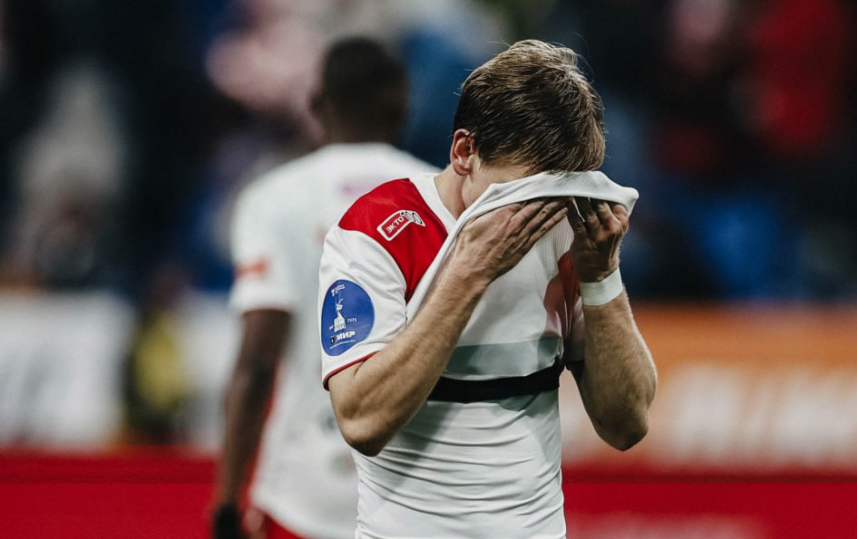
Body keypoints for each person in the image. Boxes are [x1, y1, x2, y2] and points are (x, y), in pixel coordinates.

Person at [317, 40, 658, 539]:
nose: (544, 215)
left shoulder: (568, 232)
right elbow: (361, 421)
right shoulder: (376, 233)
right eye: (525, 194)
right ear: (465, 153)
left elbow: (626, 425)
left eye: (557, 193)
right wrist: (468, 274)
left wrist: (601, 276)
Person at [213, 37, 437, 539]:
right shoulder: (441, 197)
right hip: (415, 493)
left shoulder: (272, 198)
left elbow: (257, 364)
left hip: (301, 492)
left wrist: (226, 500)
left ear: (317, 104)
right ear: (402, 107)